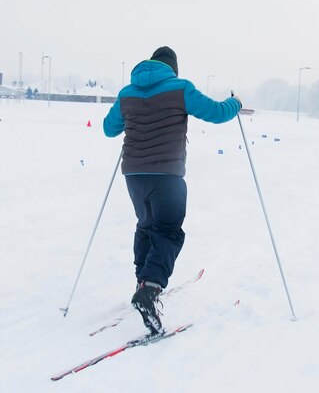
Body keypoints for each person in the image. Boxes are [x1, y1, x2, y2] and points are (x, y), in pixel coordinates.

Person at [103, 46, 242, 334]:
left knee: (145, 226)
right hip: (167, 174)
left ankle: (143, 281)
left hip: (134, 175)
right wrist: (235, 103)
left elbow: (108, 128)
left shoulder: (127, 93)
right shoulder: (180, 88)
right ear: (173, 68)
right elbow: (216, 113)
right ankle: (150, 290)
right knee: (168, 230)